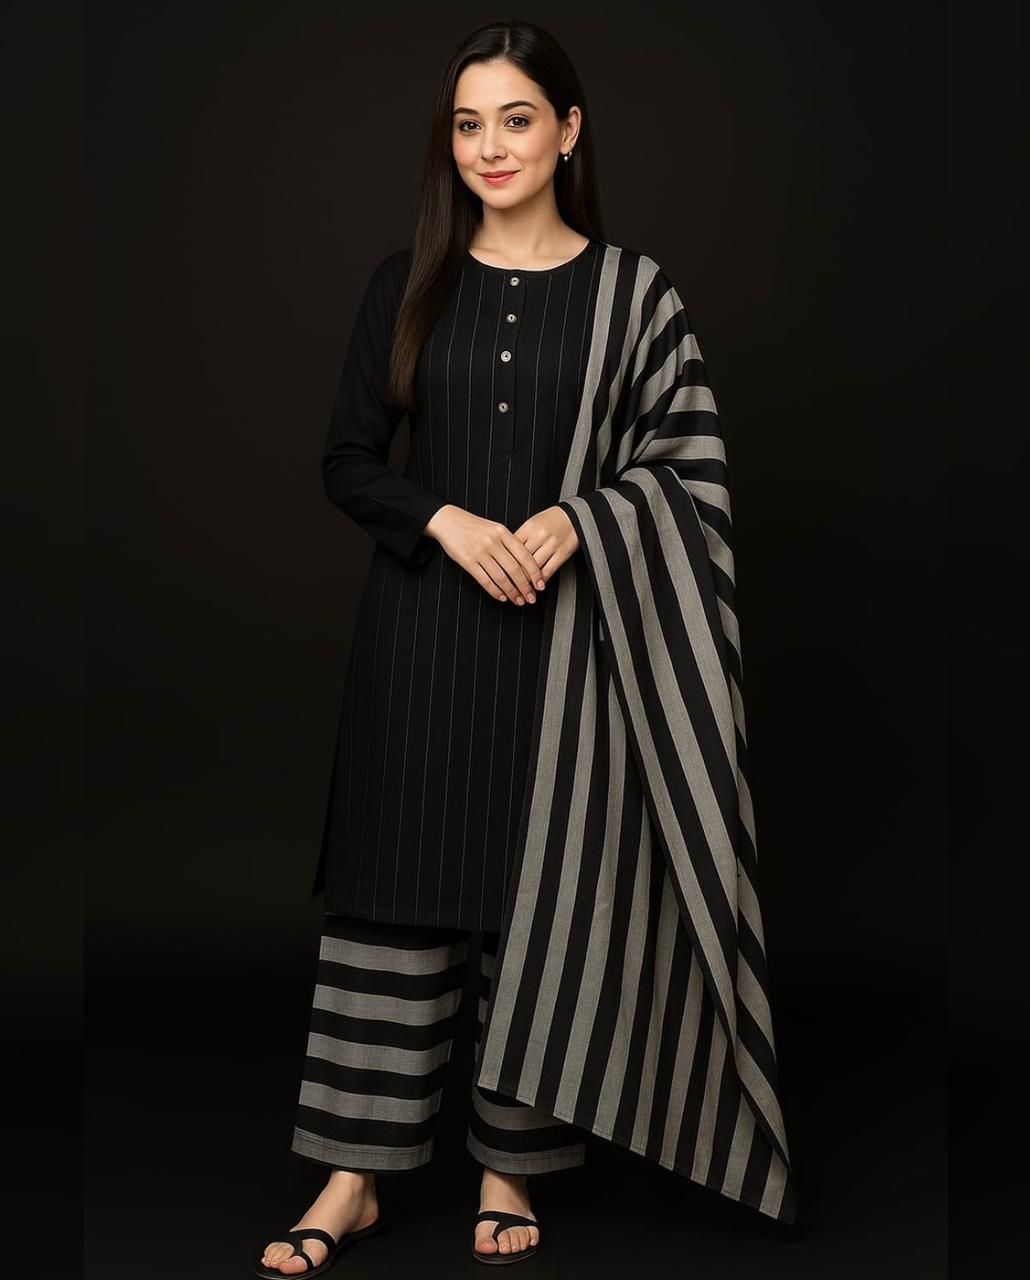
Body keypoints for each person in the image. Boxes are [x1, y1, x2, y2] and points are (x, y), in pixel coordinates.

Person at [257, 18, 797, 1278]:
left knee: (538, 900)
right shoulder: (406, 283)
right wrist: (441, 519)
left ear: (568, 131)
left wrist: (583, 517)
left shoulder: (634, 294)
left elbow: (691, 469)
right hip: (419, 643)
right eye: (467, 124)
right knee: (391, 898)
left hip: (567, 656)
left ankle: (511, 1165)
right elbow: (345, 459)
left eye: (514, 118)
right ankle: (353, 1176)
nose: (489, 146)